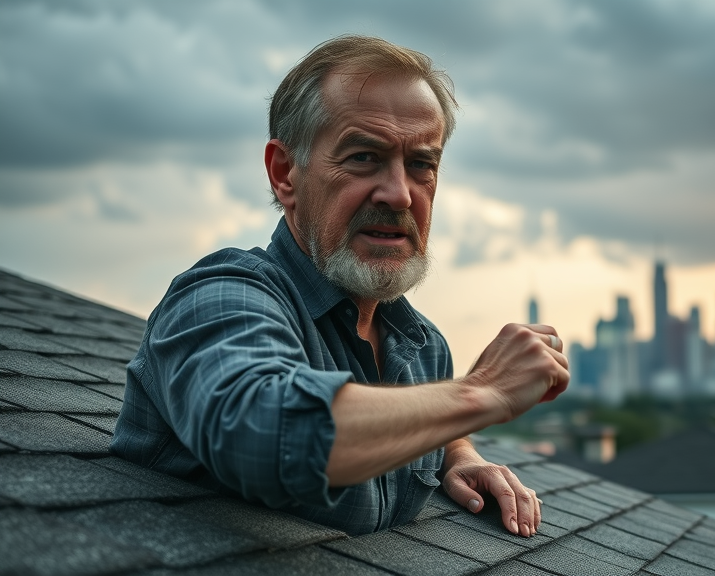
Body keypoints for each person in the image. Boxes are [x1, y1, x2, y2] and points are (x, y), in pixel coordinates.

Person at [111, 35, 570, 537]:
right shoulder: (220, 296)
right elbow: (268, 433)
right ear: (285, 174)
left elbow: (403, 415)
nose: (399, 194)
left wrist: (456, 451)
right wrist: (481, 393)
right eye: (363, 157)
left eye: (421, 164)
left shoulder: (425, 350)